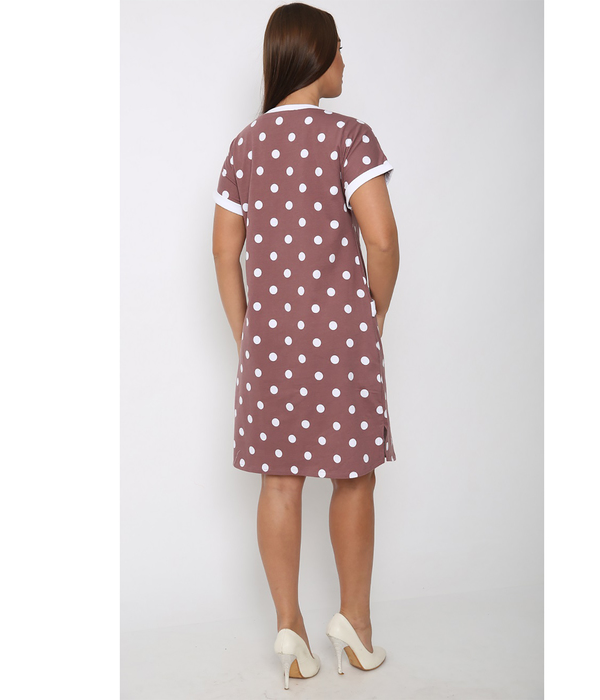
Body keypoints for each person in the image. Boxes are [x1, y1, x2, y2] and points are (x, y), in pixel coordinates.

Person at [211, 2, 399, 689]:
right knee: (354, 475)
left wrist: (247, 334)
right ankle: (356, 625)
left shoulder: (245, 145)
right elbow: (381, 238)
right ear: (316, 56)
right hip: (342, 338)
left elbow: (223, 251)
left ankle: (290, 627)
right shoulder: (349, 137)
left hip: (272, 343)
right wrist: (374, 312)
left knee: (279, 480)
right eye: (338, 48)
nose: (345, 60)